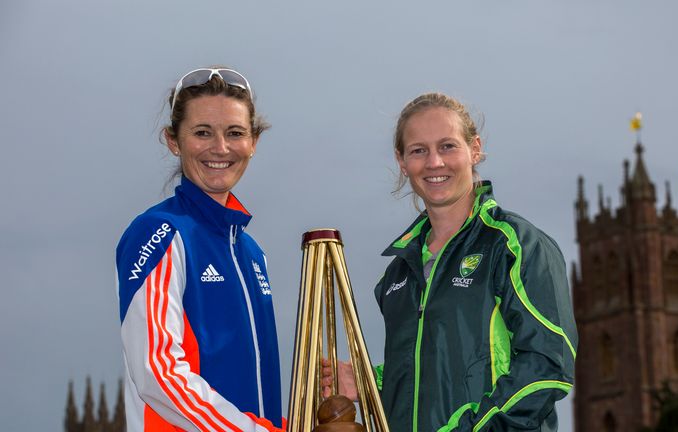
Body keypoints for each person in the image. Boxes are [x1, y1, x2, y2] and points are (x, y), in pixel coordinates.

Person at [323, 93, 577, 431]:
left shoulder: (515, 244)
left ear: (474, 149)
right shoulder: (398, 272)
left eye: (447, 146)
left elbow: (548, 366)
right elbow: (434, 377)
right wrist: (370, 383)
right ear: (402, 161)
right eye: (418, 151)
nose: (434, 163)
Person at [116, 67, 285, 432]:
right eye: (202, 132)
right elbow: (159, 374)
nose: (220, 148)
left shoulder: (252, 252)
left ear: (253, 142)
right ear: (173, 140)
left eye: (235, 133)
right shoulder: (159, 232)